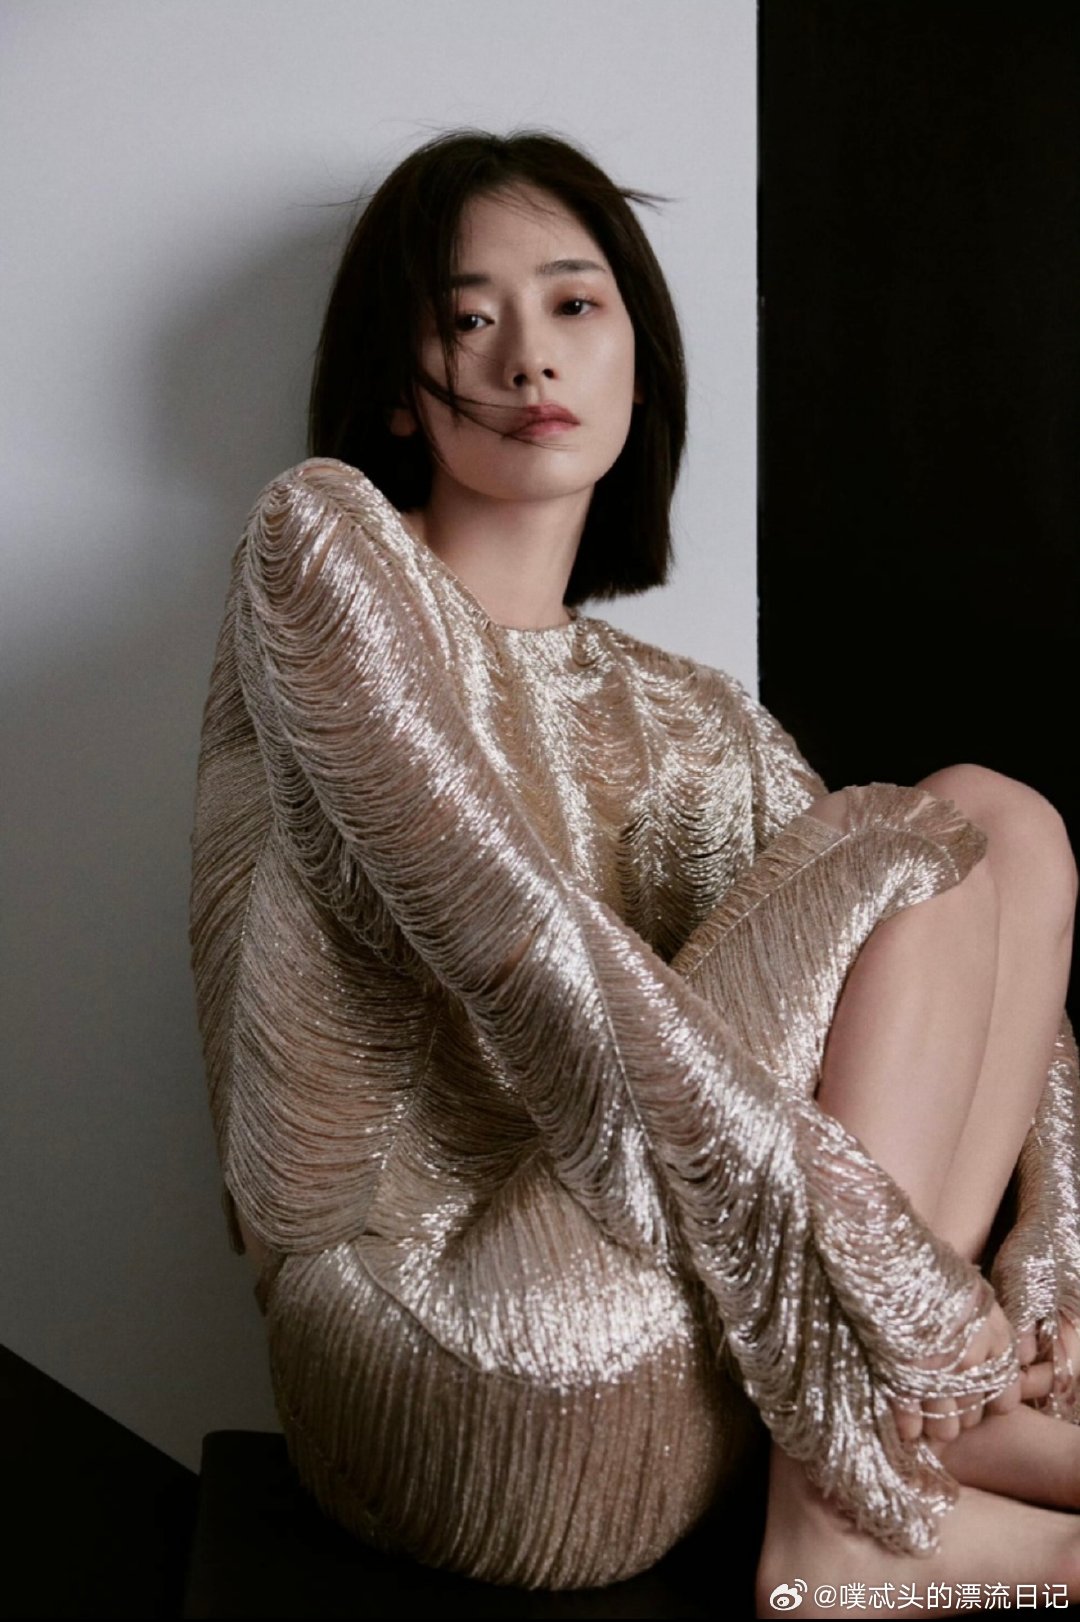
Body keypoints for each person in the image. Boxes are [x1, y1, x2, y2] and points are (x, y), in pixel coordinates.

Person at [189, 130, 1080, 1612]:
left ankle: (891, 1445)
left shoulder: (692, 710)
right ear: (400, 387)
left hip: (683, 1364)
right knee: (911, 839)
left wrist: (1046, 1258)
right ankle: (858, 1499)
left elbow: (975, 969)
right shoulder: (323, 553)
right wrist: (896, 1273)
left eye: (573, 303)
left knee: (1005, 820)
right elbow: (525, 953)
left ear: (639, 363)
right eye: (467, 316)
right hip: (454, 1359)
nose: (528, 355)